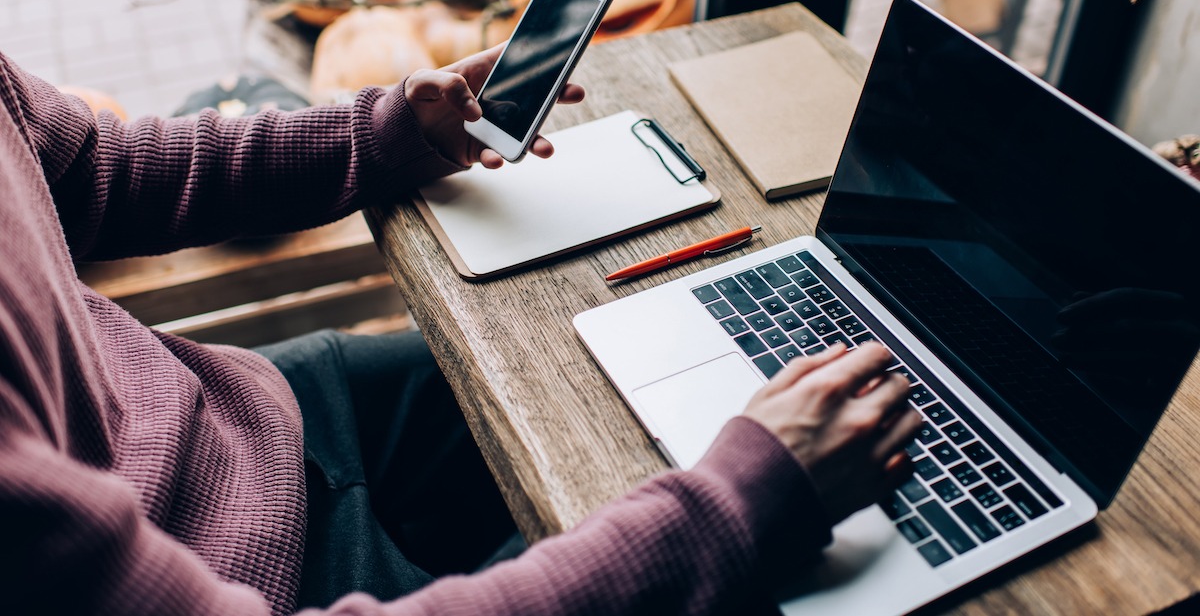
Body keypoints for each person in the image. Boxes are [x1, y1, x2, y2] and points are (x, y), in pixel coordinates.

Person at [0, 42, 922, 615]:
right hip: (265, 585)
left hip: (234, 414)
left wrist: (387, 130)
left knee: (616, 363)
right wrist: (731, 507)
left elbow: (93, 170)